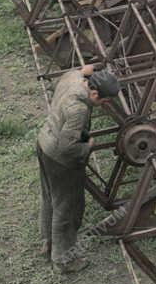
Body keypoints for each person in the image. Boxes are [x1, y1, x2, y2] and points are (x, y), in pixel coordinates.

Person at [36, 65, 120, 273]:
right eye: (104, 101)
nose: (104, 105)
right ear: (93, 92)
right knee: (67, 207)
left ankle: (48, 243)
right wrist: (88, 146)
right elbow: (68, 148)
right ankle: (64, 261)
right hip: (60, 158)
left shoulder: (72, 78)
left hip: (44, 142)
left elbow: (81, 70)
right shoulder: (79, 109)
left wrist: (89, 70)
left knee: (50, 197)